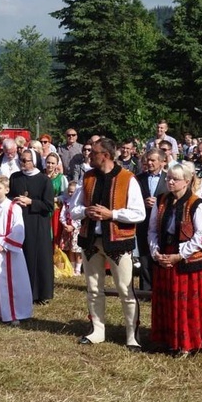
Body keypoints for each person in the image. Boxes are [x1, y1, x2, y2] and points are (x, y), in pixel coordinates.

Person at [69, 138, 146, 351]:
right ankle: (97, 331)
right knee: (94, 288)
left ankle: (132, 334)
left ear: (106, 155)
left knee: (124, 288)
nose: (89, 155)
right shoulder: (88, 177)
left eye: (94, 152)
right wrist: (86, 211)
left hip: (118, 242)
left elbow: (139, 213)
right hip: (91, 241)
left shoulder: (127, 179)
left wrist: (112, 214)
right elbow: (72, 209)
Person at [148, 163, 202, 355]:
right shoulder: (161, 201)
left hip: (186, 259)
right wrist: (155, 252)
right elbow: (152, 229)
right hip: (164, 255)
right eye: (168, 178)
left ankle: (187, 343)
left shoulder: (196, 203)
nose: (169, 182)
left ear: (186, 181)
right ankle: (166, 340)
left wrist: (179, 255)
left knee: (185, 304)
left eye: (174, 179)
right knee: (165, 300)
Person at [9, 149, 55, 304]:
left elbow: (49, 205)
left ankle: (42, 294)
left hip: (38, 223)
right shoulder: (15, 177)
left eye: (26, 160)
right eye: (21, 160)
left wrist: (31, 202)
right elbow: (10, 197)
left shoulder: (44, 180)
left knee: (40, 258)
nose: (22, 163)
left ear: (34, 161)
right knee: (24, 256)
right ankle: (23, 290)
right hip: (20, 222)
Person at [0, 176, 32, 324]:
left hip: (8, 248)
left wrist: (3, 245)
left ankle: (14, 313)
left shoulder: (14, 208)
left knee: (12, 281)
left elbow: (19, 230)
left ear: (7, 189)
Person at [135, 148, 168, 292]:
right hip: (144, 222)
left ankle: (161, 287)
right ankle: (146, 289)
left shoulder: (168, 179)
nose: (149, 162)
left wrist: (159, 204)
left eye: (153, 160)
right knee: (144, 256)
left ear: (162, 162)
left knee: (160, 255)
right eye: (148, 160)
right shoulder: (138, 178)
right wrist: (143, 202)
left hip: (162, 223)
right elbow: (132, 199)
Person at [46, 152, 68, 253]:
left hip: (55, 211)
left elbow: (66, 195)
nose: (50, 165)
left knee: (55, 235)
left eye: (52, 163)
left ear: (56, 164)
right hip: (43, 210)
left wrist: (55, 199)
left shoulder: (61, 178)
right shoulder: (41, 176)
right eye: (48, 162)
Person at [59, 181, 82, 275]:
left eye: (73, 192)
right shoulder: (66, 203)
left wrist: (73, 226)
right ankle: (71, 268)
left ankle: (78, 269)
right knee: (70, 249)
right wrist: (65, 224)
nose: (70, 193)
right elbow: (62, 215)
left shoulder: (79, 204)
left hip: (76, 230)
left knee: (77, 250)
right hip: (67, 228)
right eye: (69, 191)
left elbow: (81, 217)